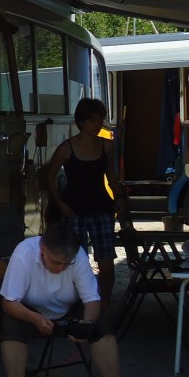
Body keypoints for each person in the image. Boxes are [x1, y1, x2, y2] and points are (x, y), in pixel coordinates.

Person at [0, 223, 145, 377]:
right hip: (31, 310)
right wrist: (35, 318)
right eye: (56, 262)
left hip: (69, 307)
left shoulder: (79, 256)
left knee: (103, 328)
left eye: (67, 264)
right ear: (42, 250)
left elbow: (92, 299)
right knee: (11, 325)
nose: (62, 268)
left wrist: (87, 323)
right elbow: (9, 302)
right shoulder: (25, 252)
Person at [45, 97, 127, 309]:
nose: (97, 125)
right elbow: (49, 177)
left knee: (106, 262)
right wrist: (60, 203)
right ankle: (78, 302)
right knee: (73, 261)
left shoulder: (106, 146)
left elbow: (112, 175)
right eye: (92, 120)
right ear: (81, 122)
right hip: (74, 210)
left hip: (102, 208)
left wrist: (118, 197)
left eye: (100, 120)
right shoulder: (67, 148)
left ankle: (104, 304)